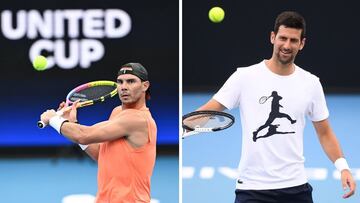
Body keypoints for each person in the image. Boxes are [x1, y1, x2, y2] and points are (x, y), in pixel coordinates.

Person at [196, 11, 356, 202]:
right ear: (273, 37)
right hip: (252, 189)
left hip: (296, 188)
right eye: (282, 38)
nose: (287, 46)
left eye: (293, 40)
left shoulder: (311, 83)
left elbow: (325, 133)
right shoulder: (244, 77)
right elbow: (209, 110)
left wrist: (343, 167)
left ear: (302, 43)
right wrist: (186, 123)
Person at [40, 63, 157, 203]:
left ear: (145, 86)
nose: (124, 87)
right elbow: (100, 154)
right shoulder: (117, 112)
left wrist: (53, 119)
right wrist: (72, 123)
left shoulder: (138, 119)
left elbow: (84, 135)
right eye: (120, 82)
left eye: (131, 81)